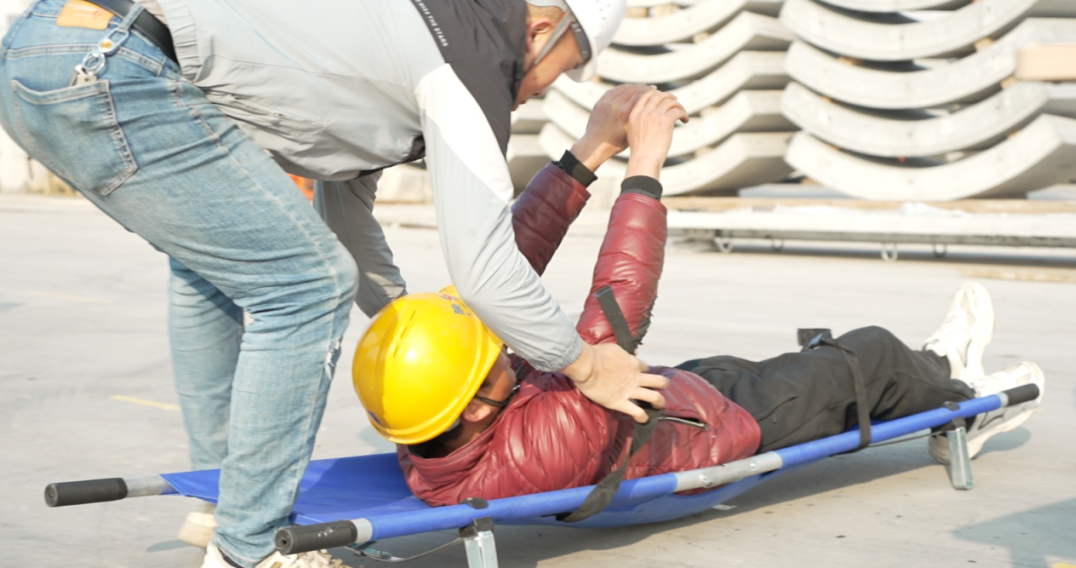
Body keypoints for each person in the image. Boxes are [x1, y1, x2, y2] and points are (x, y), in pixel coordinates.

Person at [0, 1, 669, 567]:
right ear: (542, 28)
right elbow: (485, 270)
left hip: (47, 47)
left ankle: (222, 503)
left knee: (214, 268)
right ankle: (250, 546)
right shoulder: (471, 56)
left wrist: (427, 345)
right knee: (307, 286)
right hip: (114, 63)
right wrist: (587, 366)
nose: (550, 88)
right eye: (566, 66)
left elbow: (348, 227)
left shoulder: (406, 42)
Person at [354, 89, 1046, 508]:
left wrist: (589, 150)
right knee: (866, 357)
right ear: (478, 405)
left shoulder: (433, 413)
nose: (502, 349)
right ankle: (961, 395)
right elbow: (616, 311)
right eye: (494, 361)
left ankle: (934, 371)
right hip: (714, 434)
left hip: (673, 402)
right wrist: (645, 166)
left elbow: (498, 273)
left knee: (791, 364)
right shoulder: (543, 447)